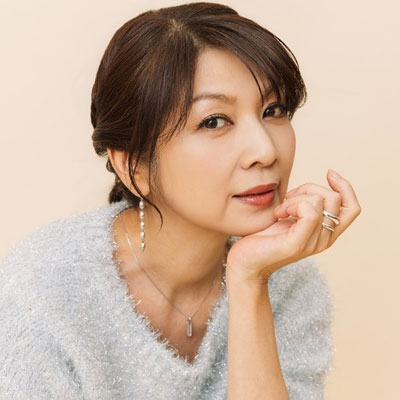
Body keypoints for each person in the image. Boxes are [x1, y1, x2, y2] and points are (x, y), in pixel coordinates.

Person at [0, 2, 361, 399]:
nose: (264, 150)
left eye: (273, 110)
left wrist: (249, 280)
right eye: (214, 121)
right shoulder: (43, 293)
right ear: (134, 167)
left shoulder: (290, 282)